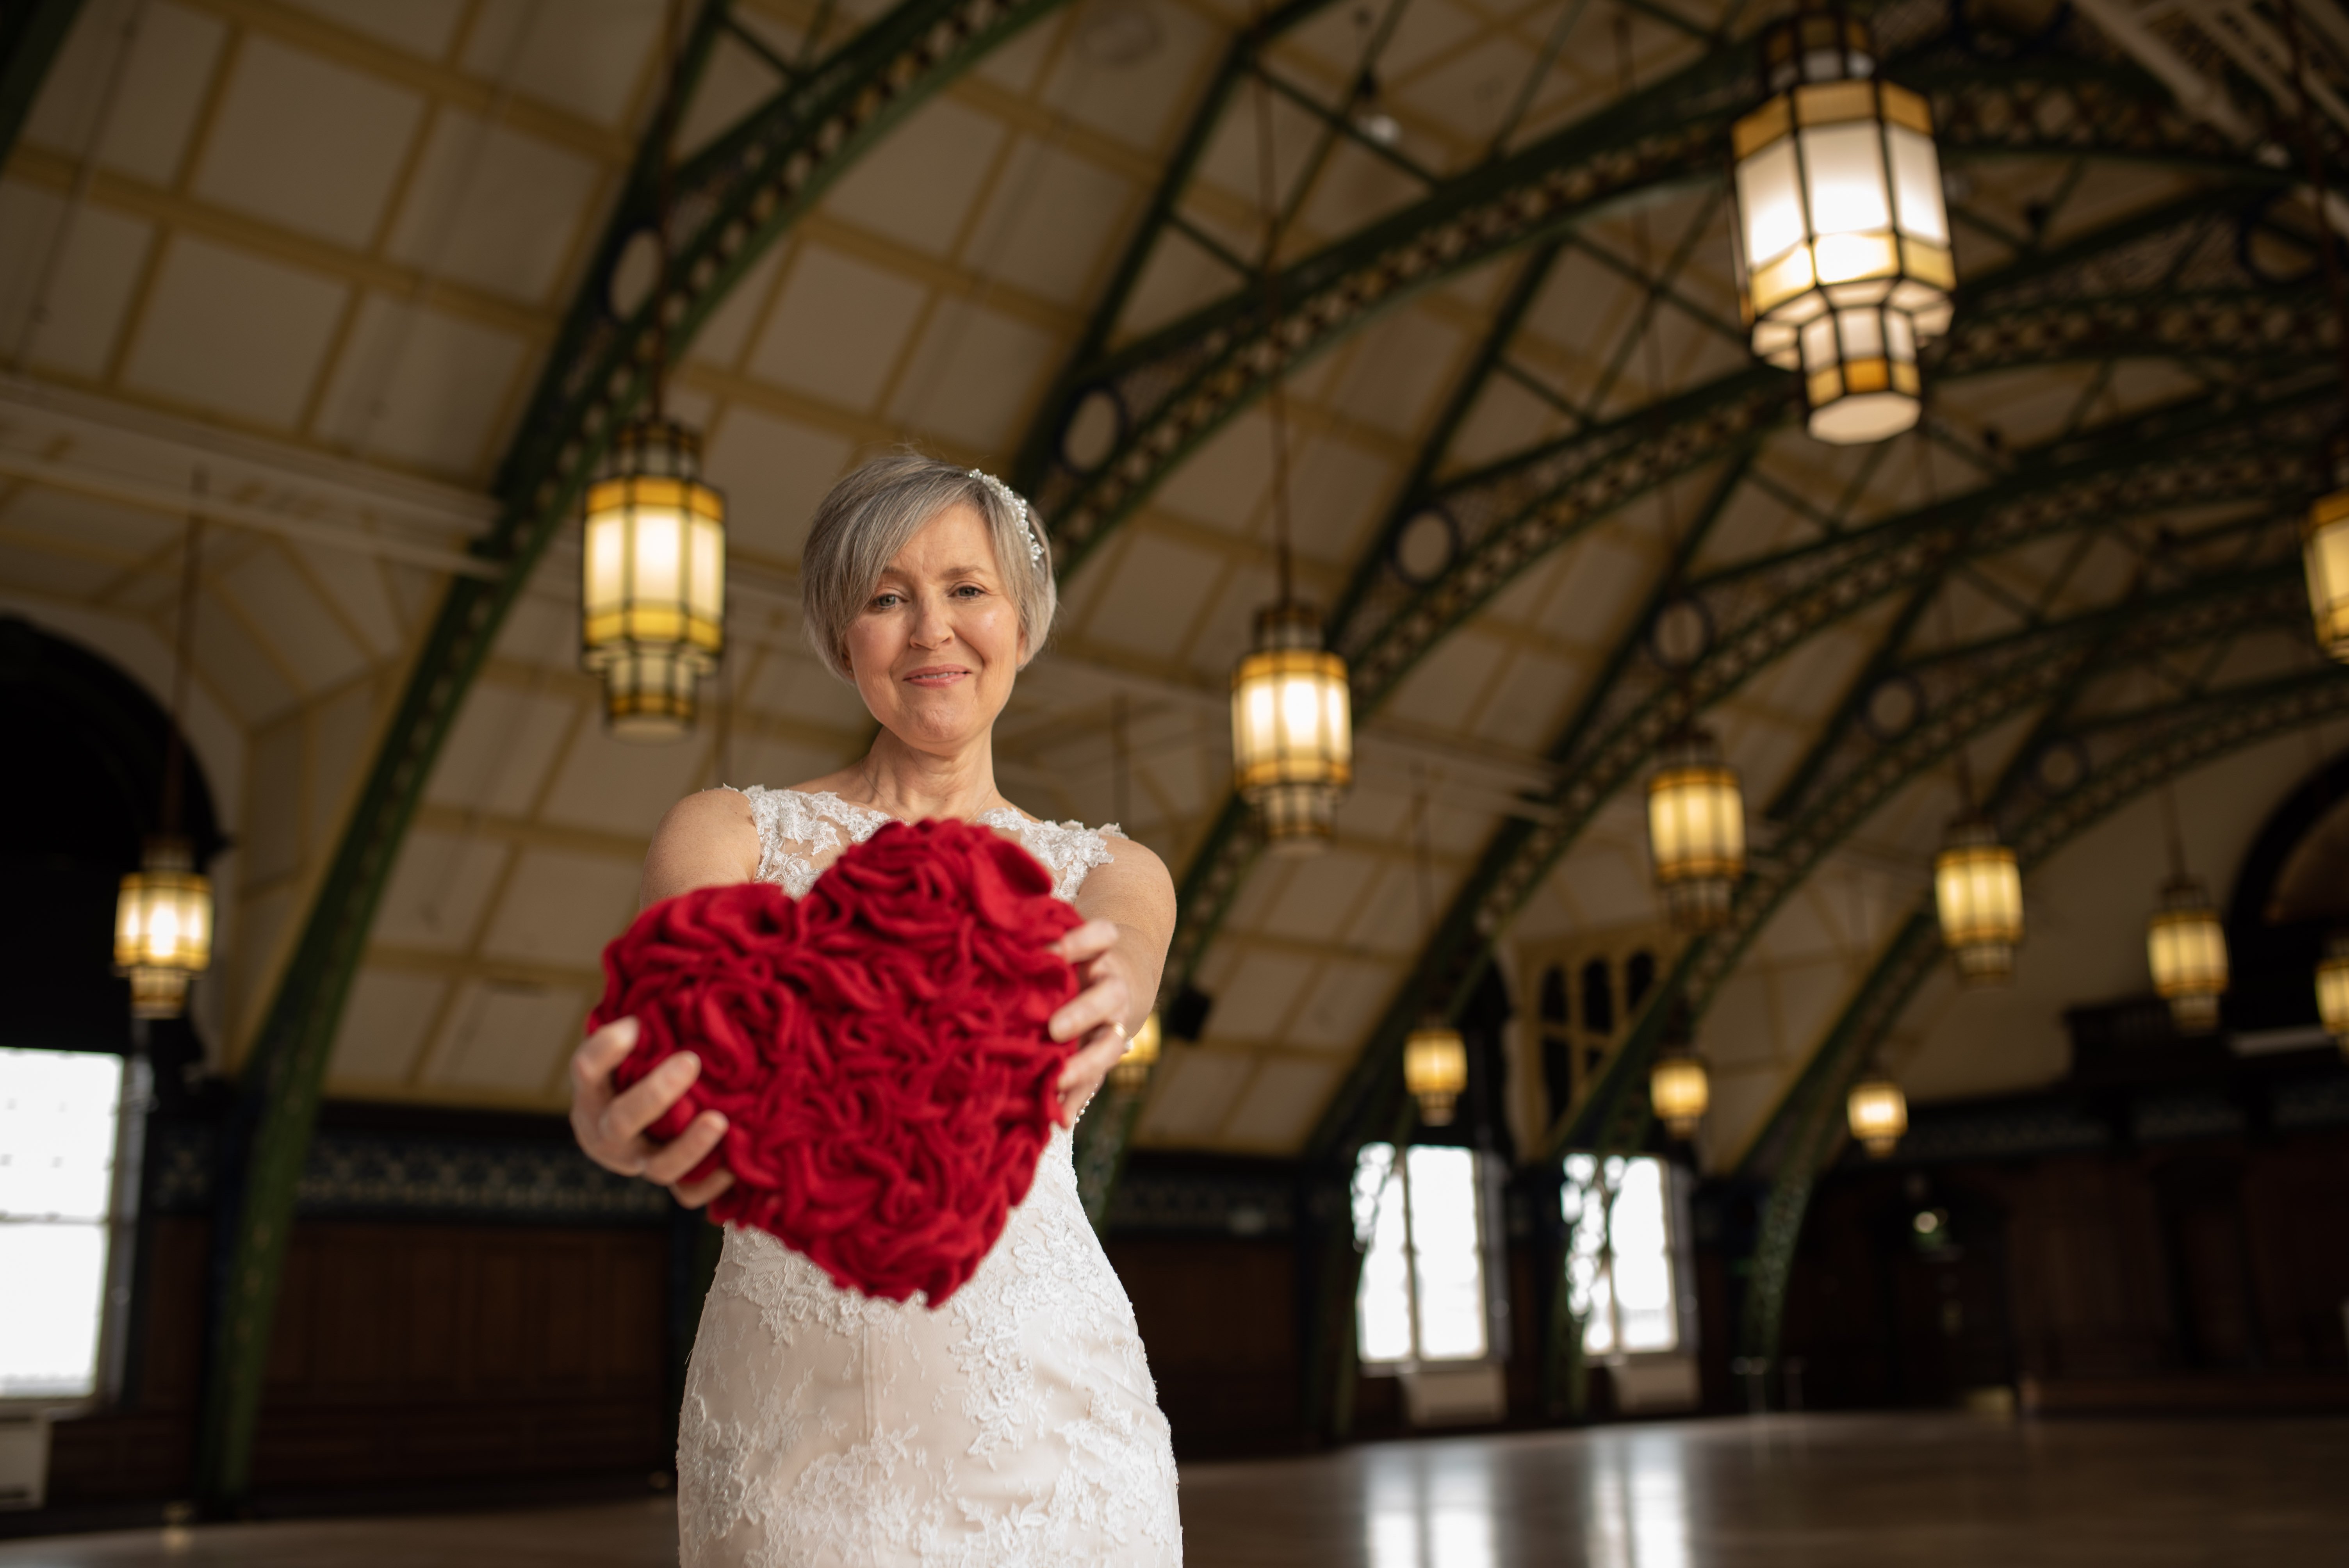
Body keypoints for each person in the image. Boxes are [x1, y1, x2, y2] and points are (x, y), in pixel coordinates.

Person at [565, 453, 1183, 1566]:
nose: (930, 630)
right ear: (840, 633)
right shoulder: (728, 834)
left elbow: (1122, 969)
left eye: (966, 590)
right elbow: (673, 1035)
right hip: (796, 1423)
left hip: (1054, 1415)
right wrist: (618, 1111)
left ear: (1023, 619)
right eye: (886, 597)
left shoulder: (1111, 868)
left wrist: (1106, 996)